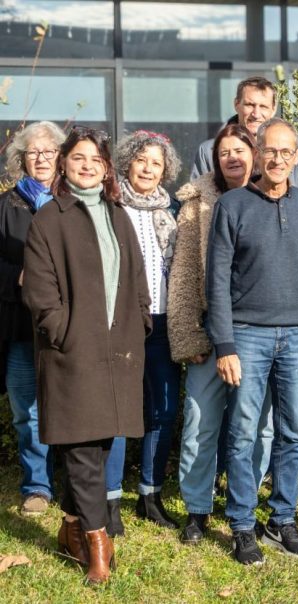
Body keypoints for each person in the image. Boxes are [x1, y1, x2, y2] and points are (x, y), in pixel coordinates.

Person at [23, 126, 150, 583]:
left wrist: (142, 321)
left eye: (95, 159)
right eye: (78, 158)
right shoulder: (49, 219)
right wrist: (64, 332)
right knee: (80, 446)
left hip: (118, 352)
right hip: (73, 352)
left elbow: (135, 276)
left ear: (105, 166)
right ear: (63, 163)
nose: (87, 165)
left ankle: (71, 526)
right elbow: (40, 293)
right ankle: (99, 539)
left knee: (98, 444)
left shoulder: (118, 214)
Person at [207, 117, 298, 564]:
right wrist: (224, 344)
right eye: (270, 151)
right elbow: (217, 281)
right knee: (243, 433)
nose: (278, 159)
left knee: (291, 433)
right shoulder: (233, 206)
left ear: (296, 156)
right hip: (247, 336)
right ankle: (243, 524)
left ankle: (283, 519)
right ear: (257, 153)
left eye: (287, 152)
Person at [169, 123, 275, 545]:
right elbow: (184, 273)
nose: (232, 157)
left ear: (255, 154)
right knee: (200, 421)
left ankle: (244, 497)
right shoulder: (196, 203)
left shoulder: (272, 196)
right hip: (211, 332)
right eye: (224, 151)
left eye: (240, 149)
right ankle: (197, 509)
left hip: (259, 332)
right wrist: (188, 335)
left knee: (258, 425)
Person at [100, 130, 182, 536]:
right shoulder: (111, 208)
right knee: (118, 413)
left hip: (164, 322)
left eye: (156, 162)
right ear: (127, 163)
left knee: (163, 411)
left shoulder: (173, 210)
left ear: (165, 169)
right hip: (123, 324)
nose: (148, 168)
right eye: (141, 160)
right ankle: (110, 499)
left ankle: (150, 494)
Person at [1, 121, 65, 517]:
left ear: (61, 156)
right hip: (21, 325)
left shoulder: (74, 201)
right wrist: (17, 277)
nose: (41, 158)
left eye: (49, 151)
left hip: (69, 326)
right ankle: (37, 485)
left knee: (73, 406)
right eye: (33, 152)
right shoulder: (7, 206)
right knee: (28, 410)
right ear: (21, 159)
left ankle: (76, 482)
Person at [190, 75, 298, 192]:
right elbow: (196, 200)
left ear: (273, 109)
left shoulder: (291, 155)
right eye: (250, 105)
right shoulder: (208, 152)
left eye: (263, 106)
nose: (256, 114)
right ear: (236, 105)